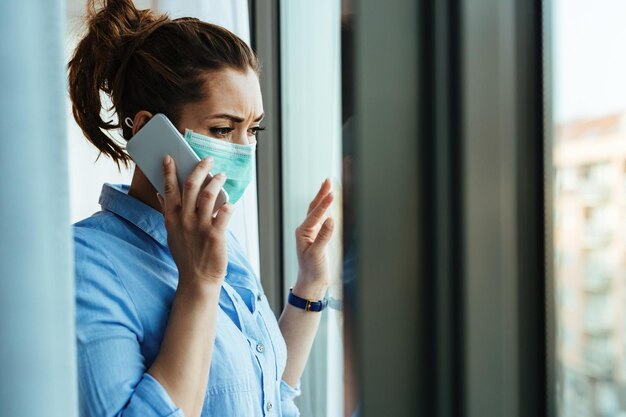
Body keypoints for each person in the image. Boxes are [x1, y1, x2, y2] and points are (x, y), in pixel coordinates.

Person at [68, 1, 335, 416]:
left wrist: (310, 287)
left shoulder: (221, 241)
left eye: (253, 130)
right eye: (223, 129)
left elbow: (268, 395)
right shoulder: (85, 265)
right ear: (148, 131)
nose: (244, 150)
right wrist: (198, 284)